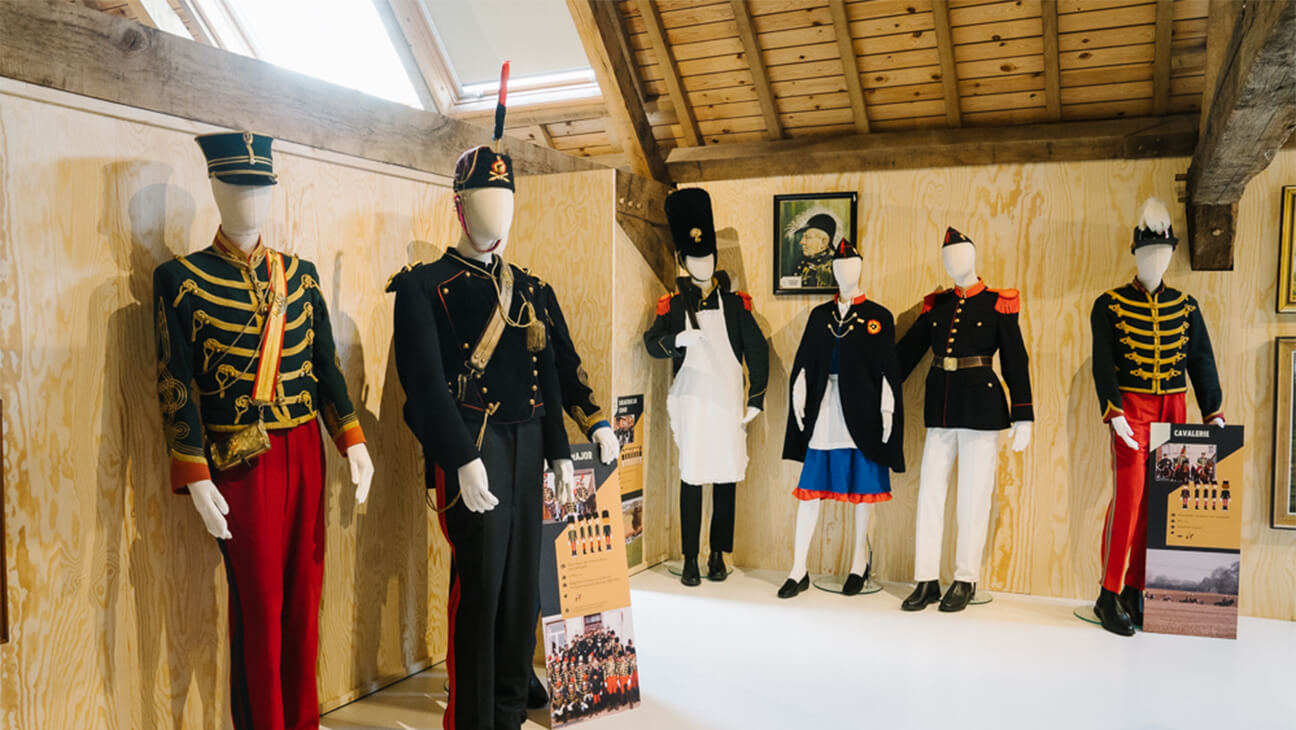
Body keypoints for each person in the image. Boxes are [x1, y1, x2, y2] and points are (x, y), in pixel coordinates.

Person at [152, 131, 374, 730]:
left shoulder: (298, 276)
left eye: (260, 187)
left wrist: (351, 440)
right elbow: (176, 389)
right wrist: (195, 475)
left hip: (305, 450)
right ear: (216, 189)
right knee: (260, 607)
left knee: (305, 600)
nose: (250, 199)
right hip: (240, 461)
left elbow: (326, 368)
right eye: (237, 186)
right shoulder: (180, 280)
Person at [1089, 196, 1224, 637]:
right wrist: (1114, 412)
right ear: (1137, 253)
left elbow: (1201, 360)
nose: (1158, 260)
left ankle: (1136, 589)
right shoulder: (1108, 305)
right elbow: (1103, 362)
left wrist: (1214, 411)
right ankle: (1107, 594)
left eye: (1165, 253)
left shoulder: (1186, 306)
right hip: (1131, 408)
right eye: (1150, 252)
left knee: (1159, 508)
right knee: (1127, 501)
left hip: (1175, 409)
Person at [896, 227, 1033, 612]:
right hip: (941, 406)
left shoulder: (997, 302)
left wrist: (1024, 416)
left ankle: (965, 578)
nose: (952, 264)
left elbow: (1016, 360)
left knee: (973, 497)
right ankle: (926, 578)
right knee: (930, 495)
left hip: (982, 409)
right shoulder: (937, 305)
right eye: (947, 258)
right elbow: (906, 354)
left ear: (973, 256)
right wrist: (875, 387)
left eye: (959, 255)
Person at [644, 188, 769, 586]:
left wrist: (757, 398)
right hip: (693, 402)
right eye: (695, 258)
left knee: (726, 477)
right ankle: (690, 557)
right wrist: (676, 341)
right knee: (692, 478)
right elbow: (651, 342)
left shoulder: (735, 305)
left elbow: (756, 350)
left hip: (727, 400)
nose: (704, 263)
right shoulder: (673, 305)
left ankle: (718, 552)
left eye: (709, 256)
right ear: (683, 260)